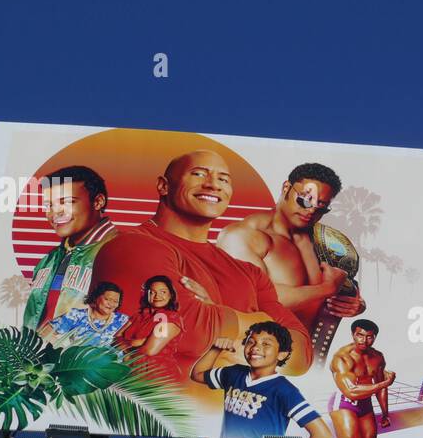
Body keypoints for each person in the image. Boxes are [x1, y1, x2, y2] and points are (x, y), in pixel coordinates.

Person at [89, 149, 311, 385]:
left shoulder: (249, 273)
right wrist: (262, 325)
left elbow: (300, 356)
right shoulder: (132, 245)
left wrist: (217, 314)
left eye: (223, 179)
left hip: (233, 418)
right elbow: (191, 331)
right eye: (198, 174)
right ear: (164, 186)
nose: (214, 185)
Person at [215, 162, 365, 331]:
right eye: (305, 200)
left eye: (321, 207)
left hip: (309, 353)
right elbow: (256, 299)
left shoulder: (325, 240)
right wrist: (327, 289)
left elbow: (343, 279)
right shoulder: (242, 236)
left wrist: (355, 303)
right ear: (286, 187)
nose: (311, 211)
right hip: (252, 353)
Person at [191, 320, 333, 438]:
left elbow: (323, 435)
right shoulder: (233, 373)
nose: (256, 347)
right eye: (251, 342)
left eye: (266, 344)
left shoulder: (284, 390)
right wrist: (215, 349)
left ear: (281, 354)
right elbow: (197, 375)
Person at [22, 165, 118, 329]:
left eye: (66, 202)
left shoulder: (119, 250)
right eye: (49, 205)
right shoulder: (49, 259)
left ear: (98, 201)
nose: (55, 212)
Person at [329, 319, 395, 438]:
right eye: (360, 335)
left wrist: (385, 413)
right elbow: (351, 392)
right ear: (353, 335)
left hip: (365, 404)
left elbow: (381, 386)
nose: (364, 340)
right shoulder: (342, 357)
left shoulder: (377, 357)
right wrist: (385, 384)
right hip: (344, 403)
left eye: (369, 337)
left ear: (374, 337)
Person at [116, 275, 185, 382]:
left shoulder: (170, 317)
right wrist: (137, 342)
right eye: (152, 292)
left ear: (171, 295)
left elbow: (150, 350)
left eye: (163, 292)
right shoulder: (137, 316)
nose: (157, 296)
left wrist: (127, 350)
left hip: (158, 376)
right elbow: (116, 337)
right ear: (146, 295)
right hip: (131, 373)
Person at [44, 281, 129, 347]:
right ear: (96, 297)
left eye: (115, 301)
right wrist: (62, 348)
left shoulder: (123, 320)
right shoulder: (76, 315)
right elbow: (45, 332)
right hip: (79, 364)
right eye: (107, 299)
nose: (111, 304)